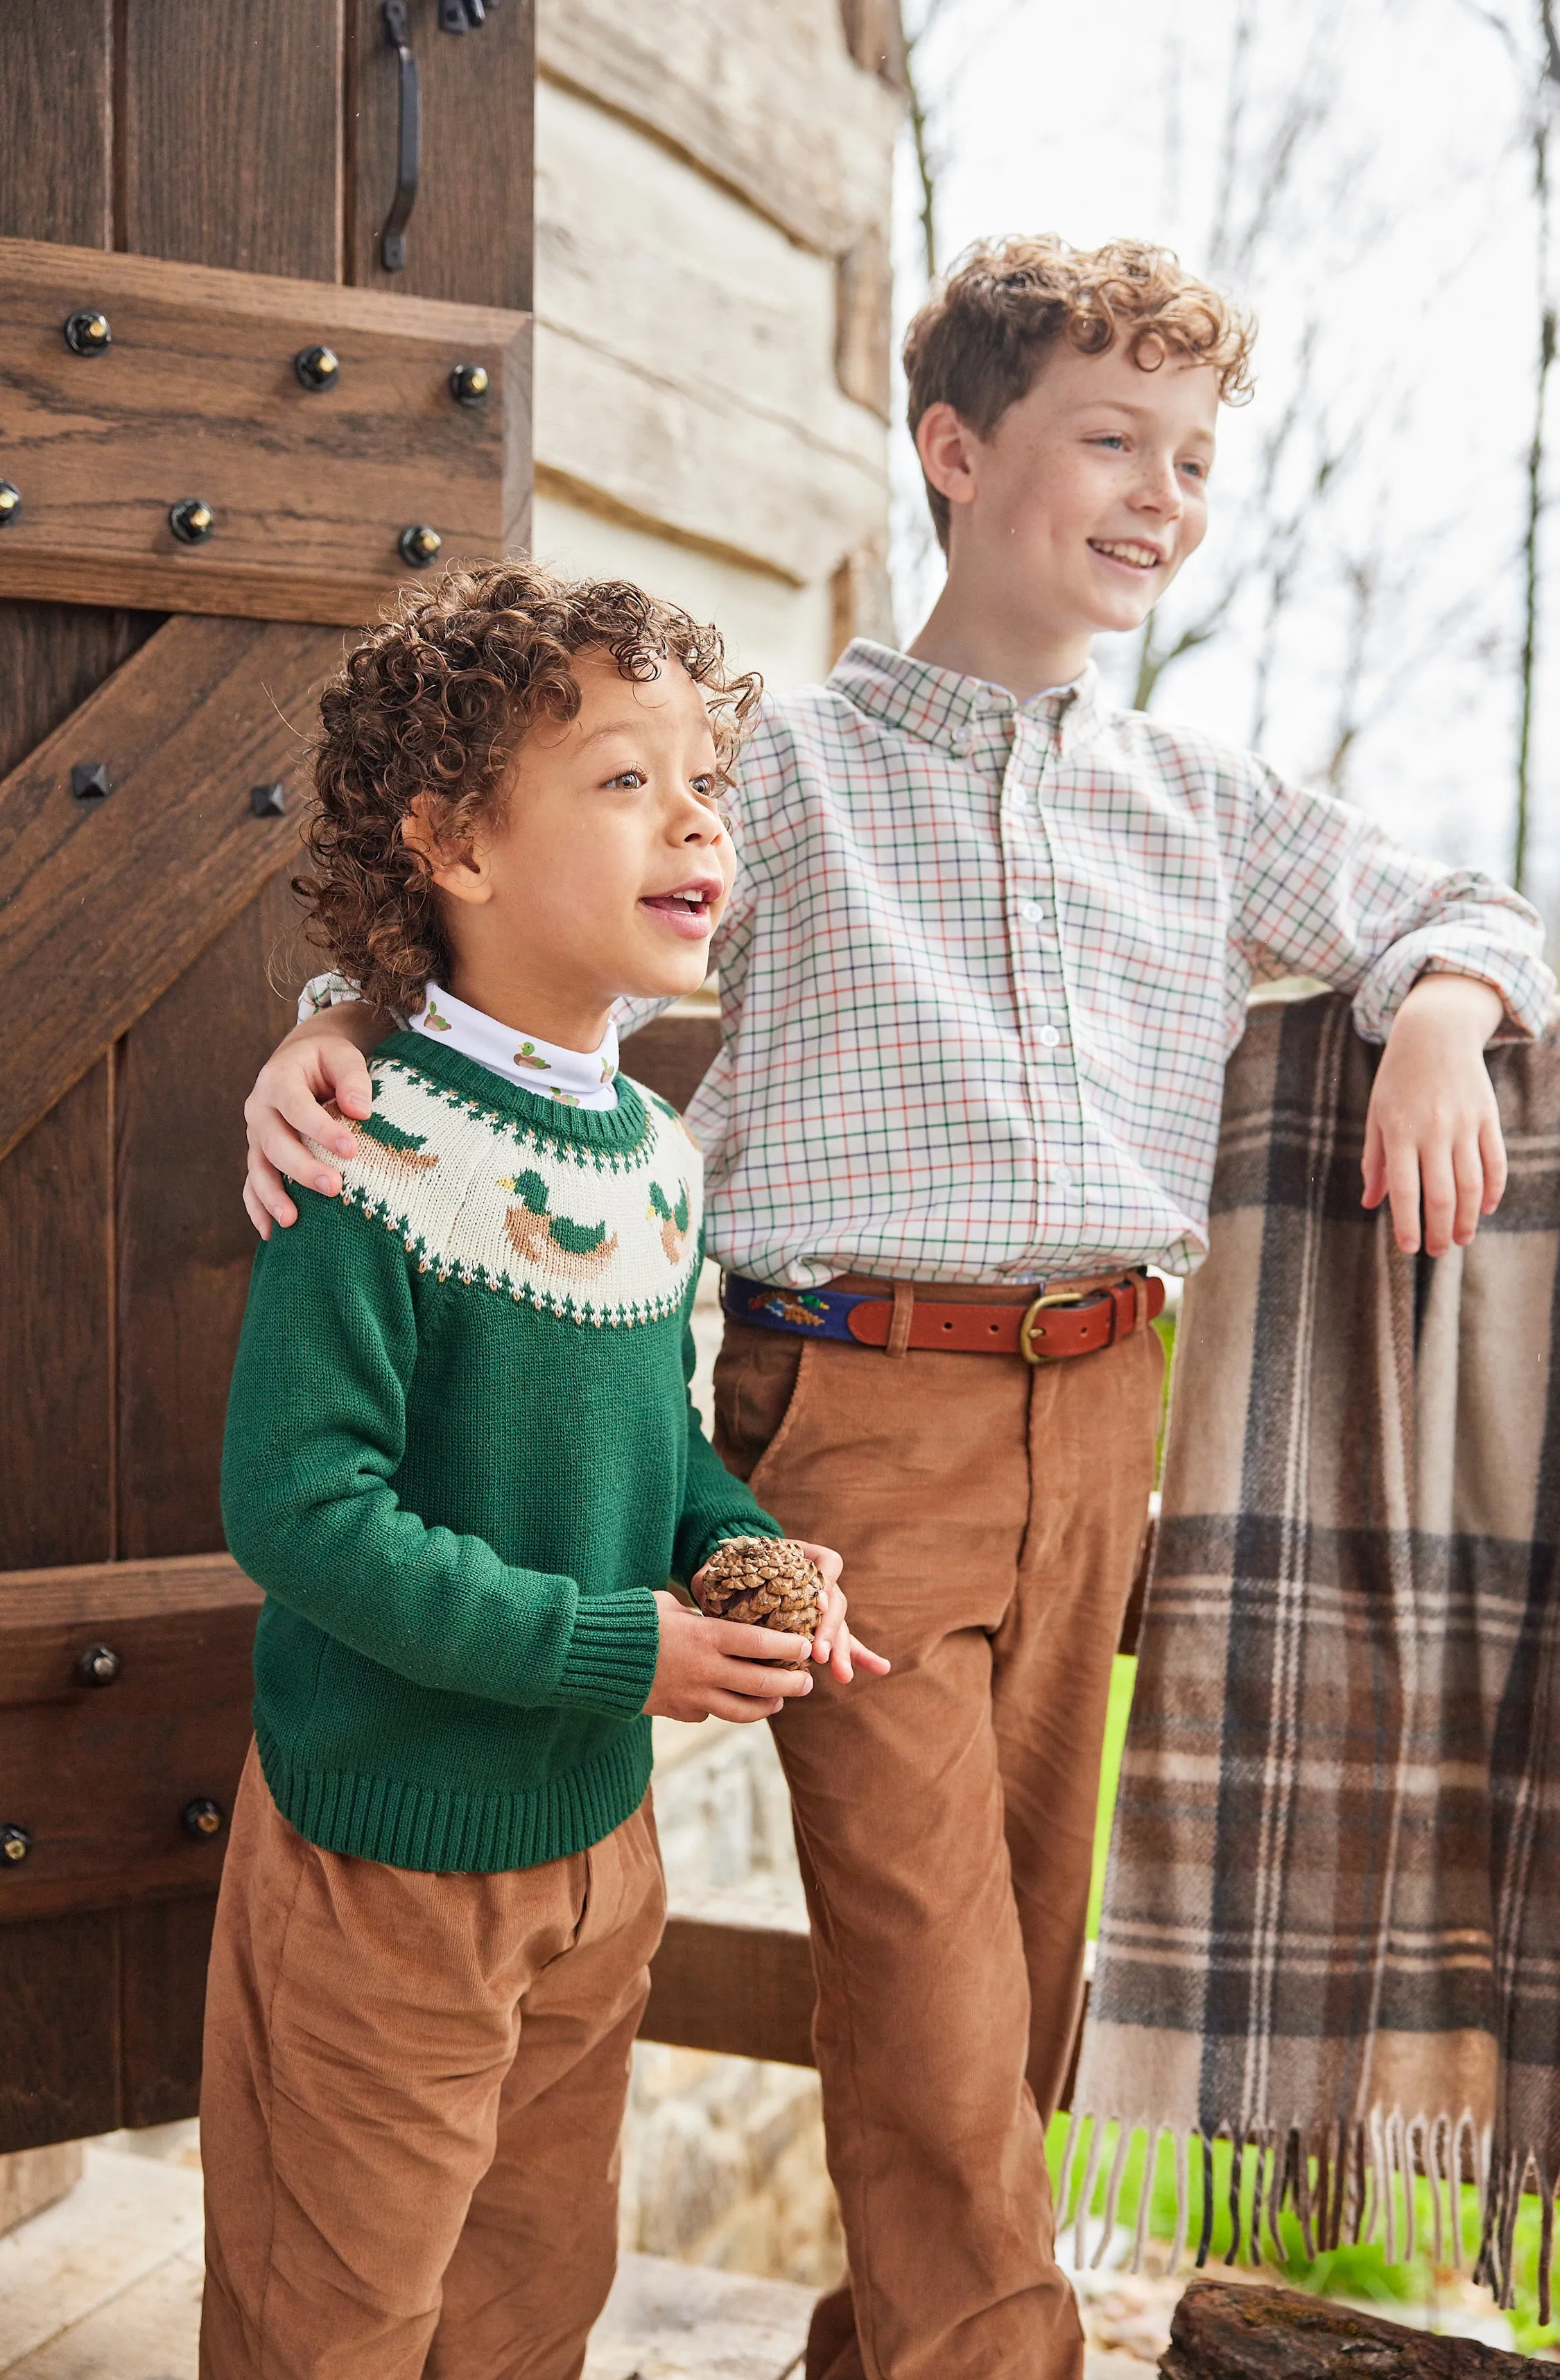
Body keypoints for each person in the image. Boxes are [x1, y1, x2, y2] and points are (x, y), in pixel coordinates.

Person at [237, 241, 1554, 2380]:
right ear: (955, 451)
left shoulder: (1201, 801)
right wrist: (326, 1020)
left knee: (1022, 1992)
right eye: (1109, 439)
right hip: (845, 1417)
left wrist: (1444, 1015)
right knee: (940, 2005)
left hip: (1110, 1425)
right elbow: (538, 910)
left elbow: (1463, 904)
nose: (1165, 494)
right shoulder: (785, 768)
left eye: (1199, 458)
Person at [202, 564, 881, 2380]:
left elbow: (658, 1451)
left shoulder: (659, 1157)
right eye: (624, 780)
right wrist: (615, 1650)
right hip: (388, 1865)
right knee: (330, 2323)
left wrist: (750, 1558)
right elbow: (299, 1509)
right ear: (458, 844)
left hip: (597, 1848)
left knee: (529, 2303)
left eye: (708, 787)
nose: (697, 823)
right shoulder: (368, 1129)